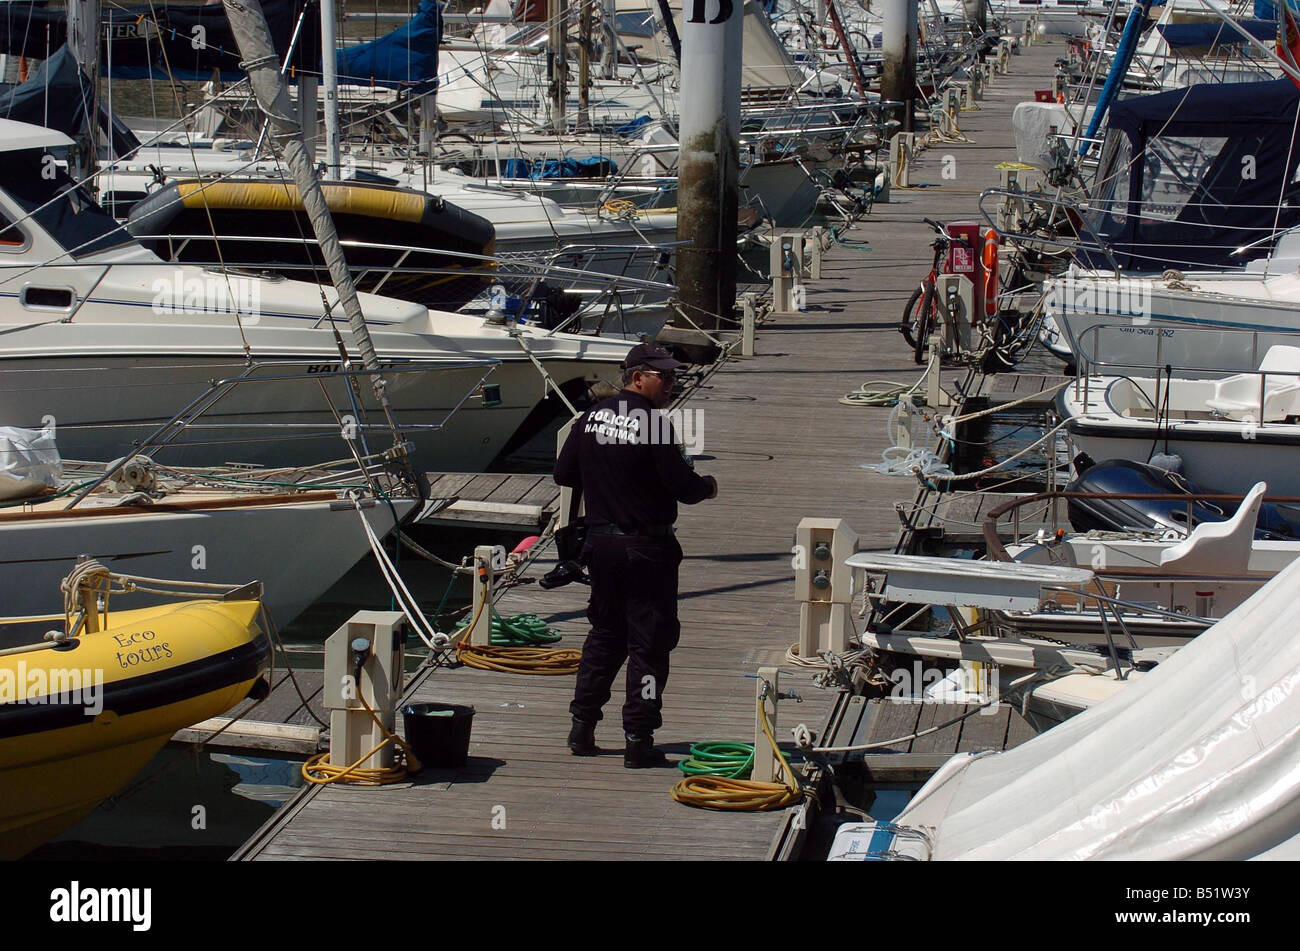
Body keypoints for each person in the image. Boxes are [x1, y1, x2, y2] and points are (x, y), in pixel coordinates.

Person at [553, 342, 718, 768]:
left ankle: (582, 725)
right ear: (637, 376)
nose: (672, 383)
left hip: (601, 547)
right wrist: (709, 485)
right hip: (648, 548)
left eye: (674, 376)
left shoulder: (589, 418)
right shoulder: (655, 425)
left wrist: (607, 481)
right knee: (649, 642)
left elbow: (564, 473)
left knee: (605, 635)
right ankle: (638, 737)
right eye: (665, 376)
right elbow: (684, 487)